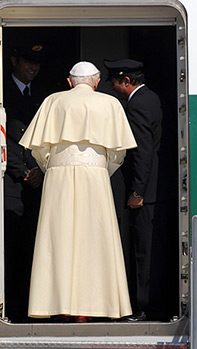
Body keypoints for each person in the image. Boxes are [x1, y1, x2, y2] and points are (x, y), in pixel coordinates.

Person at [20, 61, 136, 320]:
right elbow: (119, 153)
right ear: (96, 82)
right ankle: (97, 306)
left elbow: (38, 149)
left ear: (70, 81)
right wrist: (99, 170)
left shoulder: (53, 101)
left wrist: (55, 166)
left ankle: (55, 304)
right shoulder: (110, 103)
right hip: (96, 177)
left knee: (57, 239)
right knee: (96, 239)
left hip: (58, 177)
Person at [104, 58, 163, 322]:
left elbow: (143, 151)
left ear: (126, 82)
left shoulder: (137, 105)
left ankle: (144, 307)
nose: (114, 89)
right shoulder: (150, 98)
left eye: (115, 84)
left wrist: (137, 191)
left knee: (143, 251)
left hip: (145, 193)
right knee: (149, 249)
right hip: (152, 190)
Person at [3, 41, 46, 322]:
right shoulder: (1, 92)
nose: (33, 67)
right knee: (12, 249)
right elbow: (4, 136)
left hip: (37, 183)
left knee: (32, 250)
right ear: (14, 61)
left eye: (37, 63)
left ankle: (30, 309)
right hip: (12, 184)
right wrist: (24, 171)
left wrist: (41, 169)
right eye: (28, 61)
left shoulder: (42, 96)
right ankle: (12, 309)